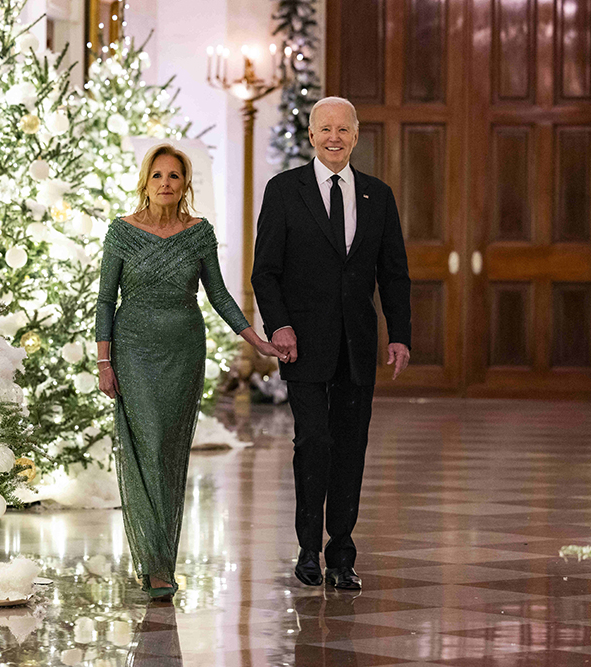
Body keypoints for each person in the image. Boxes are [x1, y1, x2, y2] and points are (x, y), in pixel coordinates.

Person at [96, 143, 282, 601]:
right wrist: (104, 360)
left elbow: (217, 294)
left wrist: (256, 339)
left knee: (170, 450)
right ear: (145, 181)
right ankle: (154, 561)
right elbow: (105, 301)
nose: (165, 183)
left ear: (185, 184)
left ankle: (161, 561)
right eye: (157, 175)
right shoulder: (121, 232)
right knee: (148, 444)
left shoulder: (199, 234)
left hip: (183, 348)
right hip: (133, 350)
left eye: (173, 176)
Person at [251, 97, 411, 591]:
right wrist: (278, 327)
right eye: (325, 129)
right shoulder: (284, 191)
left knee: (351, 447)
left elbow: (395, 274)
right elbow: (266, 272)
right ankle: (307, 548)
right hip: (301, 345)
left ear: (356, 135)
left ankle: (342, 552)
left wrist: (400, 334)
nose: (334, 137)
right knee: (313, 442)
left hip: (356, 347)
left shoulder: (377, 196)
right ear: (312, 134)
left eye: (343, 129)